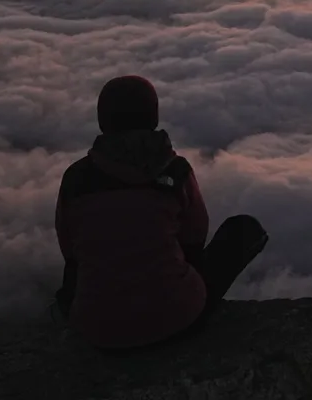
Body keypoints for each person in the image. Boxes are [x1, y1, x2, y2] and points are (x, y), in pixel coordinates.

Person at [55, 75, 269, 349]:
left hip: (96, 329)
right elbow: (195, 238)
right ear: (153, 116)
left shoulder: (75, 179)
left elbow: (70, 250)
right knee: (244, 230)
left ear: (102, 120)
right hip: (177, 320)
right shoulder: (176, 171)